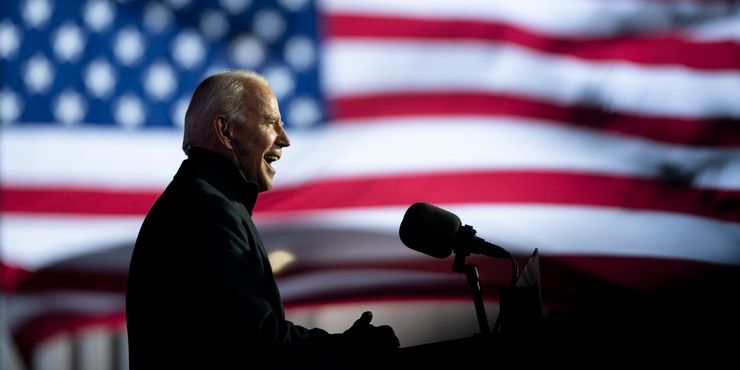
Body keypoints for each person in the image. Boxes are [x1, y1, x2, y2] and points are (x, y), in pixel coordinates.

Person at [126, 70, 399, 369]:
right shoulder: (206, 210)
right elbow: (257, 343)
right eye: (271, 123)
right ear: (225, 131)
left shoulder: (199, 201)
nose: (285, 139)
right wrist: (349, 349)